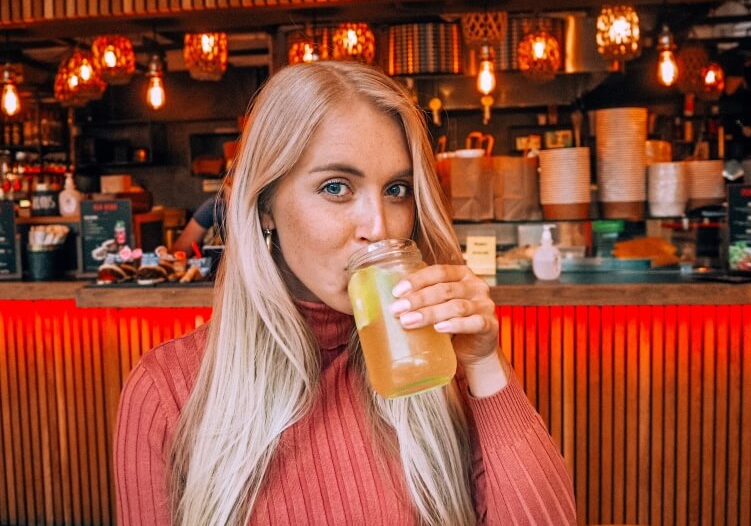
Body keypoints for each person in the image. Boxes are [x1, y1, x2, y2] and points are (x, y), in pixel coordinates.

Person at [114, 60, 576, 525]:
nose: (378, 227)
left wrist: (485, 365)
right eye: (336, 187)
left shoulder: (439, 364)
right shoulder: (168, 391)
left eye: (397, 189)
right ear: (265, 206)